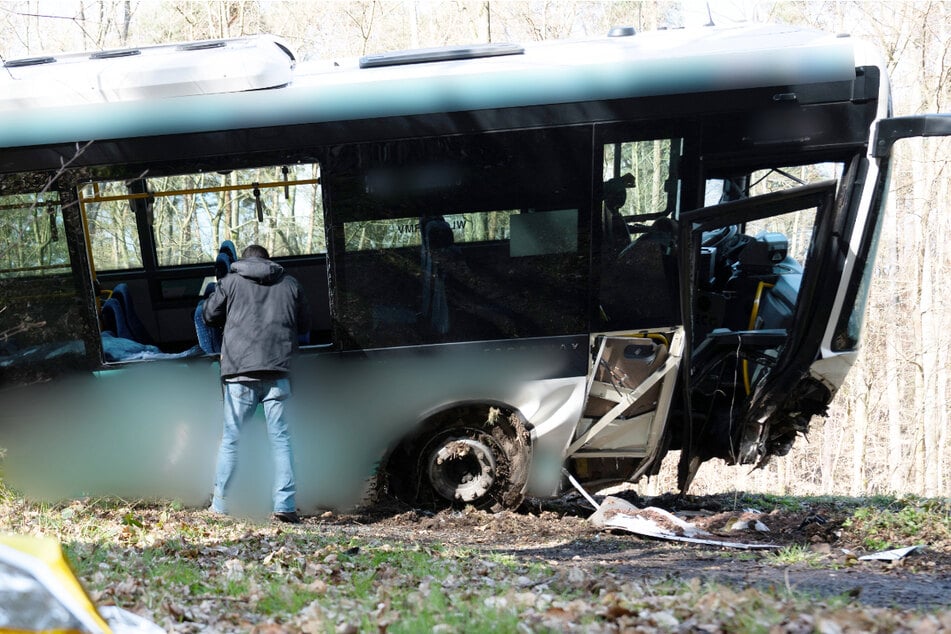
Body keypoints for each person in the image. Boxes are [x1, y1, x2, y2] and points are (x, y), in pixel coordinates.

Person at [202, 244, 311, 523]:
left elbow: (208, 316)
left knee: (232, 441)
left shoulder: (229, 283)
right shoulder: (291, 284)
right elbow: (304, 324)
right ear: (268, 260)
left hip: (240, 373)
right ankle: (285, 506)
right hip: (279, 372)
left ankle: (220, 506)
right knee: (282, 441)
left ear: (242, 260)